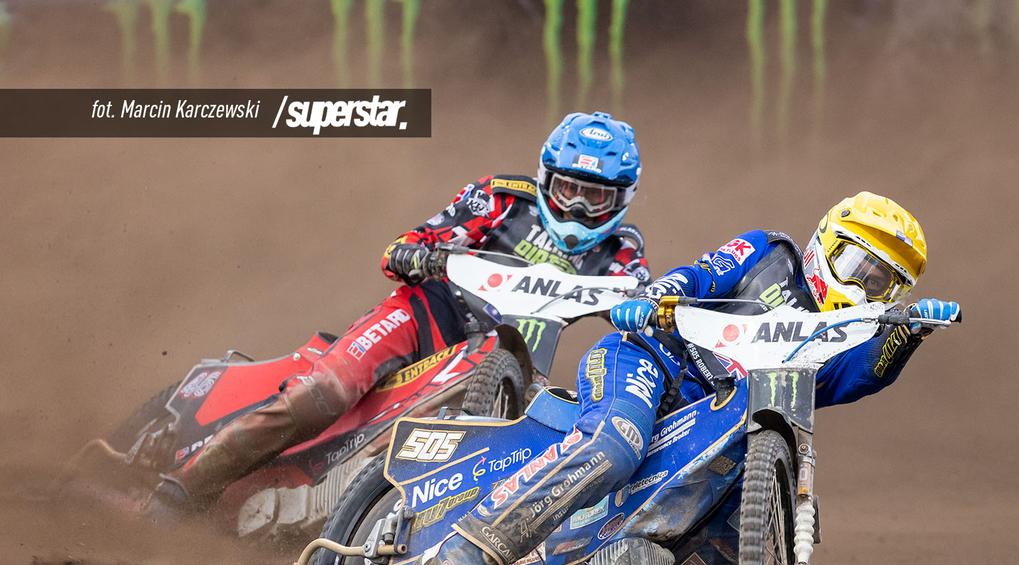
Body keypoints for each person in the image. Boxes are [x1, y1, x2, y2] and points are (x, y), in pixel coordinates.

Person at [413, 191, 961, 565]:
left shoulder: (849, 338)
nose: (863, 288)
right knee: (615, 445)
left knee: (750, 508)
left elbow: (861, 375)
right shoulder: (769, 253)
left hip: (720, 421)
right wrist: (656, 299)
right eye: (858, 267)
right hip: (653, 360)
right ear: (825, 246)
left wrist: (907, 335)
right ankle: (466, 552)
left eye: (881, 283)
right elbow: (698, 277)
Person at [151, 111, 649, 514]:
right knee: (327, 391)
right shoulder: (500, 198)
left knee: (542, 441)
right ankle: (183, 489)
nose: (577, 208)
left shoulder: (621, 250)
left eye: (594, 196)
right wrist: (418, 254)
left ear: (620, 199)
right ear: (545, 178)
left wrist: (653, 314)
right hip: (427, 317)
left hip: (512, 366)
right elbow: (412, 242)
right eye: (567, 189)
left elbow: (643, 299)